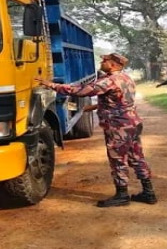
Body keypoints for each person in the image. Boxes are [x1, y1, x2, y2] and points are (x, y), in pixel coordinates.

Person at [35, 53, 156, 207]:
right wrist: (93, 107)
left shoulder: (108, 81)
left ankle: (122, 195)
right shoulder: (126, 78)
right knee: (137, 157)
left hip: (118, 126)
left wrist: (51, 85)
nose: (101, 62)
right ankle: (149, 192)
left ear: (112, 64)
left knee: (118, 159)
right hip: (132, 123)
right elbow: (118, 101)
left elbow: (79, 91)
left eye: (105, 60)